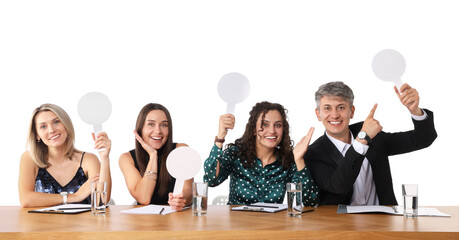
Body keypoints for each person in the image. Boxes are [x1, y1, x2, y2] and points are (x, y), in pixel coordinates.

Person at [305, 81, 437, 205]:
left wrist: (415, 110)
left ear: (351, 111)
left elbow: (423, 139)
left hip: (384, 221)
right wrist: (362, 139)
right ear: (318, 114)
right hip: (342, 225)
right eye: (327, 108)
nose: (334, 115)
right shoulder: (313, 153)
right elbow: (339, 186)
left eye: (341, 107)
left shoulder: (373, 135)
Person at [203, 101, 319, 206]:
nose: (272, 131)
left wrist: (299, 160)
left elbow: (310, 200)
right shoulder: (236, 154)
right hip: (237, 226)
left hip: (272, 226)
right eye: (265, 124)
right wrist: (220, 137)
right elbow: (211, 180)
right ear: (253, 130)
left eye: (278, 125)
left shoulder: (287, 160)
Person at [19, 103, 112, 207]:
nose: (51, 130)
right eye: (43, 126)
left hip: (83, 223)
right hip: (43, 223)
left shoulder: (88, 160)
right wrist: (74, 197)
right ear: (37, 135)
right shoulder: (30, 158)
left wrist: (104, 158)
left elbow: (101, 200)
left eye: (56, 122)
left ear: (66, 125)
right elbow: (26, 200)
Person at [119, 103, 192, 210]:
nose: (158, 131)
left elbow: (188, 192)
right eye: (151, 124)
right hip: (144, 223)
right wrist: (153, 156)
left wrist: (181, 200)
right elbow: (144, 198)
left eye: (164, 125)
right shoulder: (126, 158)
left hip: (177, 219)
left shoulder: (181, 150)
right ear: (140, 128)